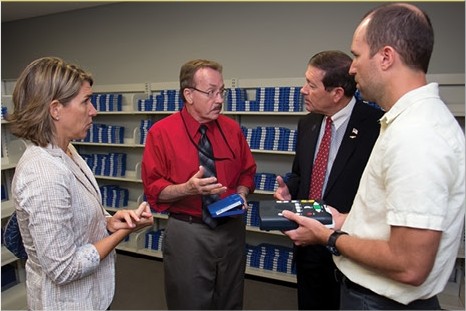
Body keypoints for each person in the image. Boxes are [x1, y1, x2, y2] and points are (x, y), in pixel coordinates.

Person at [282, 3, 465, 310]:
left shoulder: (416, 134)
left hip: (378, 300)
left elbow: (410, 264)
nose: (352, 68)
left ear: (385, 57)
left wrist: (330, 236)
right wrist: (344, 220)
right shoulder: (407, 122)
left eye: (356, 54)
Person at [8, 56, 154, 310]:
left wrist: (109, 222)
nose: (94, 110)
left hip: (92, 296)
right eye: (85, 101)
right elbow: (63, 269)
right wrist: (123, 233)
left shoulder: (67, 151)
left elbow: (75, 219)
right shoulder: (43, 174)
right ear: (55, 109)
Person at [141, 59, 257, 309]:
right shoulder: (161, 133)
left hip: (231, 229)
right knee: (188, 302)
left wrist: (241, 192)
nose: (219, 100)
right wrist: (188, 188)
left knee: (230, 300)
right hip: (188, 232)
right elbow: (153, 189)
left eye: (222, 91)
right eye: (211, 92)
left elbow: (247, 172)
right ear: (189, 95)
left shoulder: (232, 129)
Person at [274, 50, 383, 309]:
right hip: (307, 245)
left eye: (311, 85)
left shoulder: (375, 126)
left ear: (336, 93)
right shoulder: (308, 124)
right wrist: (289, 189)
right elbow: (300, 173)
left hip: (349, 247)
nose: (303, 90)